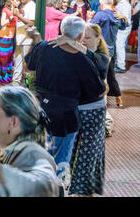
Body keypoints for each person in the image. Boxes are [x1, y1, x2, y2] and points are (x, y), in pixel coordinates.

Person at [25, 16, 106, 191]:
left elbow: (29, 66)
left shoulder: (44, 47)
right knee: (60, 162)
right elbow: (97, 90)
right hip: (66, 116)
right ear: (79, 36)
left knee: (39, 155)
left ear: (62, 31)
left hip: (39, 109)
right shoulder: (82, 60)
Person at [48, 23, 110, 196]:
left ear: (99, 39)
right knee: (72, 151)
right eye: (83, 38)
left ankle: (84, 192)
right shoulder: (78, 54)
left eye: (88, 38)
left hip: (93, 111)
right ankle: (72, 189)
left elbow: (102, 67)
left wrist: (71, 42)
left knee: (88, 153)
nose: (84, 41)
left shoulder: (100, 56)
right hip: (75, 109)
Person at [91, 0, 127, 107]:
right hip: (112, 49)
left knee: (101, 75)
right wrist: (125, 18)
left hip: (100, 49)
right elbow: (123, 27)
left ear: (101, 4)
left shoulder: (100, 15)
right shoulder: (117, 15)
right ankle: (118, 99)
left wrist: (88, 18)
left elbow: (90, 29)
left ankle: (102, 102)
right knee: (110, 74)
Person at [12, 0, 36, 85]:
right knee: (17, 60)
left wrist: (18, 15)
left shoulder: (32, 6)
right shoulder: (24, 6)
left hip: (27, 39)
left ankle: (28, 84)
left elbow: (31, 23)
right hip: (20, 37)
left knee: (27, 63)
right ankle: (16, 81)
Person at [0, 0, 19, 85]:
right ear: (11, 0)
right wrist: (11, 18)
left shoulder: (17, 10)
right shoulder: (6, 10)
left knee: (10, 59)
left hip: (11, 38)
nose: (18, 2)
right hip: (4, 38)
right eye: (17, 0)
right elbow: (2, 23)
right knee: (3, 60)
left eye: (19, 0)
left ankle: (8, 78)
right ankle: (3, 80)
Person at [113, 0, 132, 73]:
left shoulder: (125, 5)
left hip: (124, 28)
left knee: (119, 45)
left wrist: (117, 15)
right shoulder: (120, 3)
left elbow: (126, 18)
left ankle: (121, 66)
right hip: (121, 27)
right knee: (118, 45)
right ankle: (118, 63)